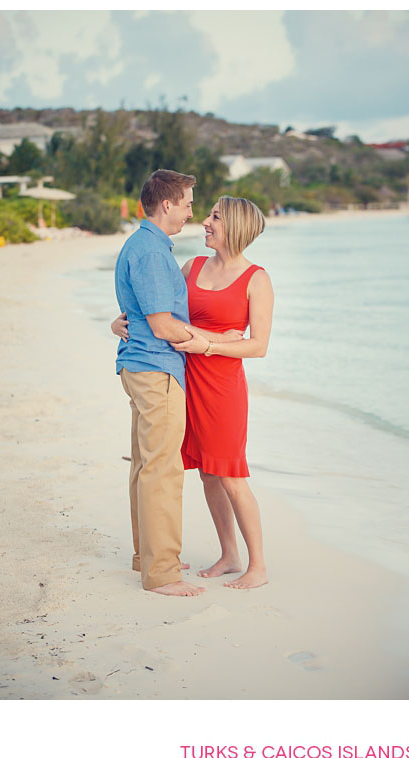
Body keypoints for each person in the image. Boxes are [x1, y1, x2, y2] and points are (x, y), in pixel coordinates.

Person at [113, 195, 273, 589]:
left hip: (222, 387)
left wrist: (211, 346)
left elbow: (258, 346)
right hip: (185, 378)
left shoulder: (257, 279)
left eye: (215, 216)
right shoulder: (192, 267)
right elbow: (159, 313)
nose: (204, 221)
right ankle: (229, 554)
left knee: (230, 474)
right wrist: (119, 322)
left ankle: (257, 566)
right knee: (207, 473)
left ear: (234, 225)